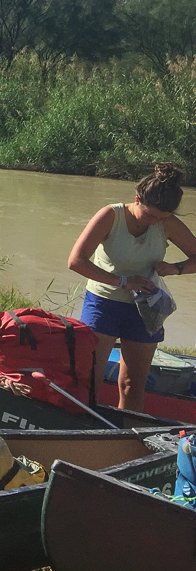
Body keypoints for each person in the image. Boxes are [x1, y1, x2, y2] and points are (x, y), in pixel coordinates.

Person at [67, 162, 196, 412]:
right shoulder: (110, 216)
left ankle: (125, 436)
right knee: (89, 380)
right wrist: (122, 282)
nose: (154, 222)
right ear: (137, 199)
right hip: (103, 303)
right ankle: (84, 429)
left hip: (145, 309)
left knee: (131, 385)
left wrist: (175, 268)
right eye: (150, 215)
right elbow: (75, 261)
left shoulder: (166, 222)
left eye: (162, 217)